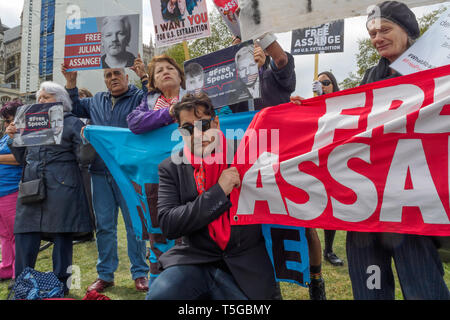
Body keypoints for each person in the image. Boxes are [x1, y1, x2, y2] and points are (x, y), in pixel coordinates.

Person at [346, 0, 450, 300]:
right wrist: (310, 112)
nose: (377, 38)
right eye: (372, 33)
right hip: (366, 207)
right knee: (370, 289)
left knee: (423, 288)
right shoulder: (368, 77)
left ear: (408, 31)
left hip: (413, 206)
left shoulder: (440, 74)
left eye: (385, 29)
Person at [147, 93, 278, 300]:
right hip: (194, 260)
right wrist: (218, 191)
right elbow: (169, 224)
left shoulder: (246, 153)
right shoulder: (171, 168)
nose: (197, 134)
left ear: (216, 123)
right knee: (160, 296)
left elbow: (289, 159)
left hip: (245, 262)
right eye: (188, 129)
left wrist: (296, 113)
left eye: (204, 125)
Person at [61, 55, 151, 293]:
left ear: (126, 76)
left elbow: (154, 101)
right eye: (108, 75)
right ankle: (105, 275)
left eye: (116, 74)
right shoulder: (97, 100)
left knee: (134, 225)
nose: (113, 78)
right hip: (99, 172)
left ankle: (140, 273)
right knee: (104, 226)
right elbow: (74, 106)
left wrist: (144, 76)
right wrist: (71, 83)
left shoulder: (139, 97)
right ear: (105, 80)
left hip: (129, 173)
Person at [5, 82, 93, 295]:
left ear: (60, 100)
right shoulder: (28, 121)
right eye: (39, 98)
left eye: (46, 97)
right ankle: (23, 286)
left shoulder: (71, 122)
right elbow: (22, 157)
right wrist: (13, 138)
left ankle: (61, 287)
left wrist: (86, 138)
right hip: (32, 186)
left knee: (62, 236)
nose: (41, 101)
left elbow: (84, 158)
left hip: (62, 187)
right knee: (25, 233)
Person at [126, 54, 186, 293]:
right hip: (157, 179)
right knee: (160, 230)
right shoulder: (148, 104)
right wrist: (169, 113)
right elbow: (134, 123)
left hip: (192, 176)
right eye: (159, 70)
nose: (165, 71)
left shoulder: (196, 98)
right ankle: (161, 284)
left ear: (181, 76)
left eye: (170, 68)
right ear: (153, 82)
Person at [293, 71, 345, 268]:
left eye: (326, 82)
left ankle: (328, 250)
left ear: (333, 84)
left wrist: (324, 98)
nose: (322, 85)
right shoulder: (313, 106)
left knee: (331, 208)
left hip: (335, 160)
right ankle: (309, 250)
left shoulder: (342, 103)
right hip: (314, 162)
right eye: (318, 82)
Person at [0, 101, 22, 284]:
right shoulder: (5, 136)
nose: (9, 124)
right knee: (4, 234)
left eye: (12, 119)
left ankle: (17, 271)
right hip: (1, 192)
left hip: (11, 190)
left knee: (15, 233)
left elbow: (19, 159)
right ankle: (6, 267)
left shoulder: (22, 135)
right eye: (6, 120)